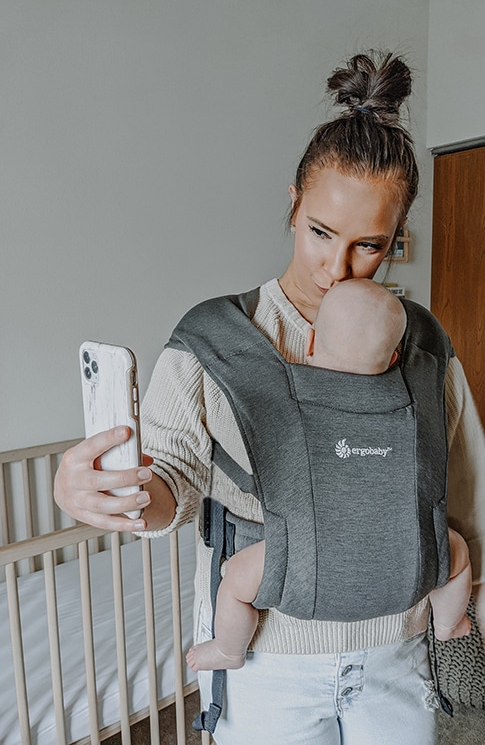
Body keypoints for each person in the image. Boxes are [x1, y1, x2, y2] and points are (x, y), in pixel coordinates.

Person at [54, 51, 485, 744]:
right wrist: (116, 493)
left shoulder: (425, 345)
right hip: (267, 663)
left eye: (368, 246)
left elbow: (462, 493)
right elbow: (173, 481)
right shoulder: (213, 339)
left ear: (395, 239)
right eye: (319, 232)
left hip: (394, 657)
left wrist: (458, 614)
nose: (334, 267)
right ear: (293, 203)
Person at [185, 279, 472, 674]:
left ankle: (229, 650)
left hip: (302, 565)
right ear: (393, 359)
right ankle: (449, 622)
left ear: (312, 342)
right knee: (455, 551)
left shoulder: (286, 394)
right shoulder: (412, 397)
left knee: (235, 580)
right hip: (408, 567)